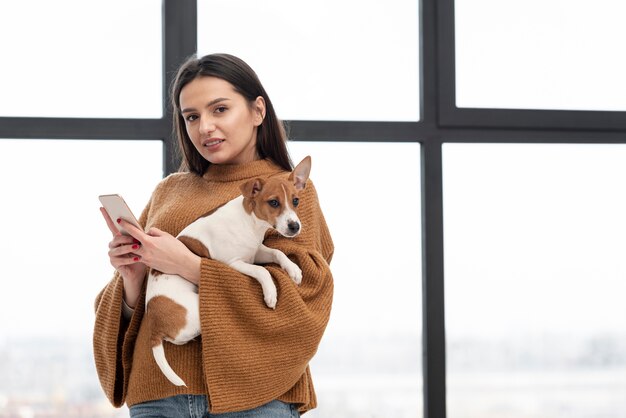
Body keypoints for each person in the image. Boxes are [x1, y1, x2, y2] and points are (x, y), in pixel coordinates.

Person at [93, 53, 334, 418]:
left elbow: (302, 299)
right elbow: (149, 305)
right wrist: (133, 278)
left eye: (219, 110)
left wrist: (190, 265)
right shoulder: (168, 192)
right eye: (191, 116)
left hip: (254, 396)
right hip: (158, 394)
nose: (204, 126)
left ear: (257, 111)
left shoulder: (288, 192)